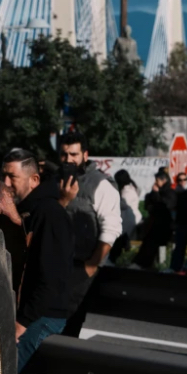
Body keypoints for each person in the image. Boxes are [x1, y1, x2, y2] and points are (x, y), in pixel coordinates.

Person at [1, 149, 74, 372]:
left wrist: (20, 324)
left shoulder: (49, 214)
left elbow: (51, 278)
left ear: (34, 180)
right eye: (3, 175)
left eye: (12, 177)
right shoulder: (21, 212)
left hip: (41, 316)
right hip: (23, 312)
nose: (4, 182)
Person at [57, 131, 122, 337]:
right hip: (55, 263)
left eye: (74, 154)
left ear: (85, 155)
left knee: (66, 326)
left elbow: (111, 229)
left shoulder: (100, 184)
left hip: (80, 266)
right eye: (64, 154)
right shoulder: (56, 180)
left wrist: (91, 266)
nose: (69, 160)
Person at [132, 169, 175, 270]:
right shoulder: (156, 193)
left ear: (164, 180)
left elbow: (164, 205)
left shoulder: (169, 193)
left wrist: (156, 195)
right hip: (154, 224)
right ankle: (142, 263)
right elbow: (149, 205)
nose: (155, 183)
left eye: (157, 180)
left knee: (151, 243)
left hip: (164, 225)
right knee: (148, 243)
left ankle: (143, 263)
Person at [109, 169, 141, 262]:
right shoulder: (131, 188)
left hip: (129, 218)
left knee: (123, 239)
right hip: (130, 217)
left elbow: (123, 204)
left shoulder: (127, 191)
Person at [170, 172, 187, 271]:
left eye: (184, 180)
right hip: (182, 222)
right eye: (180, 180)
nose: (182, 182)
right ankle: (178, 267)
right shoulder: (177, 192)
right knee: (180, 246)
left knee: (183, 247)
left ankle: (180, 267)